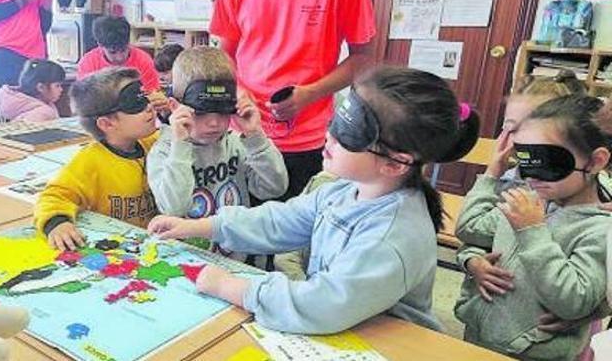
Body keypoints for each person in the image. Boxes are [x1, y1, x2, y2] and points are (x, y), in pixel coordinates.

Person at [148, 67, 479, 334]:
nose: (328, 135)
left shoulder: (392, 235)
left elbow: (322, 305)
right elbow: (280, 221)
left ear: (394, 163)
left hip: (385, 344)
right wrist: (198, 226)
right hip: (345, 328)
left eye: (348, 134)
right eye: (335, 121)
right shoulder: (345, 190)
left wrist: (232, 287)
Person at [211, 0, 376, 201]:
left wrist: (309, 94)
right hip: (239, 136)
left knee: (289, 244)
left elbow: (362, 59)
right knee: (235, 236)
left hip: (305, 142)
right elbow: (222, 55)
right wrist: (238, 91)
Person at [454, 94, 612, 360]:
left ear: (595, 161)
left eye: (548, 161)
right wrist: (471, 260)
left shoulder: (598, 228)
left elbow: (574, 302)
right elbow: (471, 229)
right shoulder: (528, 199)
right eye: (525, 159)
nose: (531, 176)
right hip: (479, 338)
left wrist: (532, 232)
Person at [147, 48, 287, 258]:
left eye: (223, 111)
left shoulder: (236, 142)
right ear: (175, 107)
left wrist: (255, 135)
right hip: (187, 262)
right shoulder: (165, 151)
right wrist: (181, 145)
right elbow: (174, 208)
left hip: (239, 262)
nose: (214, 122)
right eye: (201, 112)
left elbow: (274, 188)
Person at [35, 68, 159, 251]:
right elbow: (54, 195)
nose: (149, 107)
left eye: (145, 97)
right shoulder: (90, 161)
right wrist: (58, 223)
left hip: (156, 243)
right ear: (107, 123)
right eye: (134, 104)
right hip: (117, 250)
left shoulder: (155, 145)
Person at [77, 16, 162, 94]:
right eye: (112, 52)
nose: (120, 57)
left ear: (129, 42)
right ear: (100, 44)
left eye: (123, 50)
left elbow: (153, 95)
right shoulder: (88, 63)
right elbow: (85, 101)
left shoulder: (144, 60)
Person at [0, 59, 66, 122]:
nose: (61, 89)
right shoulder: (43, 114)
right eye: (57, 86)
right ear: (41, 87)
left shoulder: (21, 103)